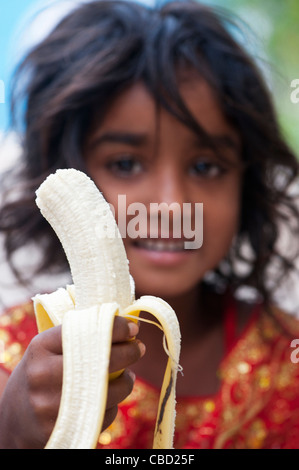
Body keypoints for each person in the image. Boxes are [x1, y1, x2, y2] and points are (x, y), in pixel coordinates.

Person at [0, 0, 299, 449]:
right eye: (125, 163)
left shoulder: (287, 363)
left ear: (248, 184)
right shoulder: (11, 363)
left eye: (205, 167)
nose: (171, 205)